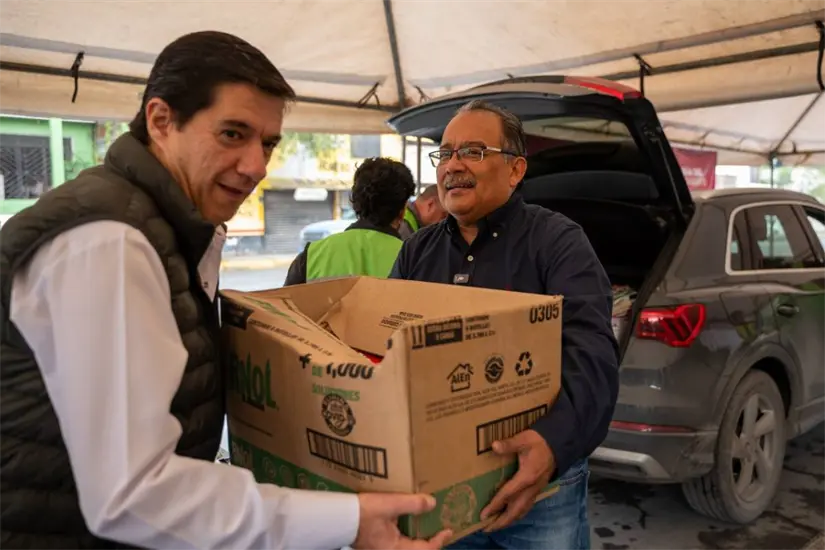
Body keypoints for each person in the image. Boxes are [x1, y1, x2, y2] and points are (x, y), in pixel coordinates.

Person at [0, 31, 451, 550]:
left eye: (268, 144)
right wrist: (346, 520)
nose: (256, 166)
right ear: (161, 120)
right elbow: (134, 494)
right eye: (233, 134)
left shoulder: (168, 229)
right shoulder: (111, 242)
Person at [389, 99, 620, 550]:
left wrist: (552, 443)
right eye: (445, 153)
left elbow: (592, 351)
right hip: (444, 483)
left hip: (539, 489)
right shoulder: (417, 251)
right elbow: (387, 344)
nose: (453, 165)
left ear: (516, 170)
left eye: (473, 151)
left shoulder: (558, 241)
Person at [284, 157, 415, 286]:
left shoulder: (312, 256)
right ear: (402, 211)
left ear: (355, 202)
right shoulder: (414, 260)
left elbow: (284, 300)